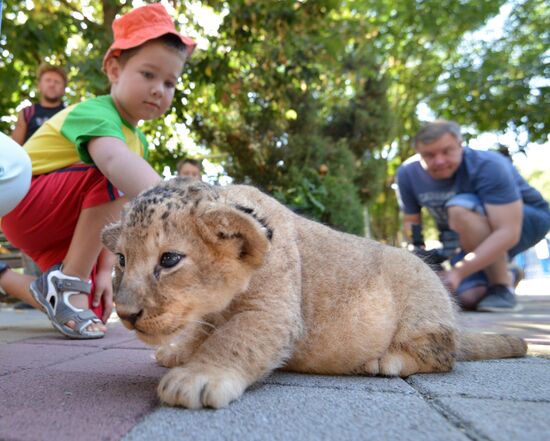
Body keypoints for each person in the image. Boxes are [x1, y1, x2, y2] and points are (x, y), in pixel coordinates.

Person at [0, 3, 196, 338]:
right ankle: (68, 282)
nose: (158, 90)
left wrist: (104, 272)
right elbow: (112, 166)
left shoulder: (137, 141)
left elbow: (115, 216)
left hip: (57, 223)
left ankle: (20, 281)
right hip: (28, 204)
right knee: (117, 174)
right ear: (114, 69)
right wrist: (184, 205)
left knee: (88, 299)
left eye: (169, 83)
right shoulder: (97, 113)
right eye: (148, 74)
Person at [396, 120, 550, 312]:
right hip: (466, 234)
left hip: (526, 221)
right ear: (419, 153)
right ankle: (509, 274)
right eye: (429, 155)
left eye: (446, 151)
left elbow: (509, 231)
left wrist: (458, 271)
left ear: (460, 145)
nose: (439, 161)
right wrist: (420, 254)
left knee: (459, 208)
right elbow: (412, 221)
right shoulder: (407, 173)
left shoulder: (488, 165)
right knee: (467, 298)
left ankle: (502, 287)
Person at [11, 63, 67, 145]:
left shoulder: (69, 114)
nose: (52, 85)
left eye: (57, 82)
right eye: (48, 80)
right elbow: (15, 147)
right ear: (39, 86)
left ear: (64, 90)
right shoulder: (27, 112)